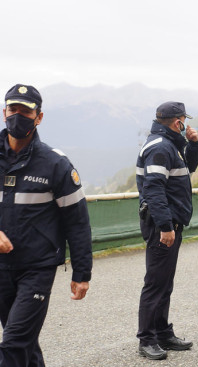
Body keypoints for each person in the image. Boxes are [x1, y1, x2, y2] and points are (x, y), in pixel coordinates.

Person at [0, 84, 92, 366]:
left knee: (14, 342)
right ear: (4, 112)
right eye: (13, 109)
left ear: (39, 117)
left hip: (37, 267)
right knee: (24, 343)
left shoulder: (56, 164)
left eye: (26, 111)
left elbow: (77, 222)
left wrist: (82, 272)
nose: (18, 116)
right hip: (1, 268)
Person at [135, 101, 198, 360]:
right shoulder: (161, 148)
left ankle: (162, 332)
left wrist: (194, 144)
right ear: (178, 122)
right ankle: (147, 338)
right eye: (184, 120)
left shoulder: (171, 145)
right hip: (162, 225)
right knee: (155, 283)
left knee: (165, 282)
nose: (185, 125)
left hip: (171, 222)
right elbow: (153, 189)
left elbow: (188, 169)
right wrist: (164, 226)